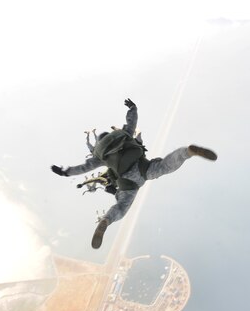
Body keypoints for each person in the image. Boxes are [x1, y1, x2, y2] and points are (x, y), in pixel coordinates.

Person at [51, 98, 217, 248]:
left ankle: (106, 220)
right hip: (141, 166)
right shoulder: (123, 135)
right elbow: (131, 122)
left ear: (98, 142)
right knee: (166, 165)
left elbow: (83, 168)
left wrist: (65, 172)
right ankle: (187, 152)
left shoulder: (99, 156)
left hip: (128, 181)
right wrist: (132, 107)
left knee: (122, 206)